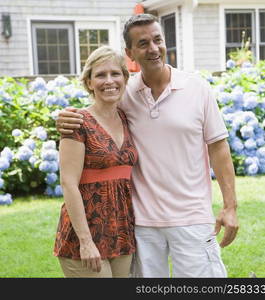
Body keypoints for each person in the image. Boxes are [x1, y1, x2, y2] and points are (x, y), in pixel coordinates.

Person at [56, 14, 239, 278]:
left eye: (157, 40)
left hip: (192, 217)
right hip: (140, 223)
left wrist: (230, 206)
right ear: (130, 53)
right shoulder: (124, 94)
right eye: (143, 43)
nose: (153, 48)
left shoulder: (197, 88)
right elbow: (94, 114)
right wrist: (63, 118)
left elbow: (219, 149)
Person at [53, 46, 138, 278]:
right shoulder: (77, 123)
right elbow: (68, 184)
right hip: (84, 236)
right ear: (89, 82)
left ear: (125, 78)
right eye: (100, 75)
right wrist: (86, 241)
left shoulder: (127, 118)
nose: (109, 81)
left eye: (115, 73)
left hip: (121, 231)